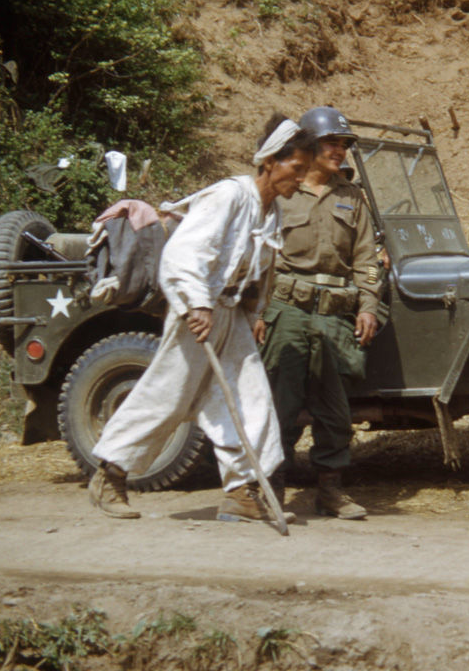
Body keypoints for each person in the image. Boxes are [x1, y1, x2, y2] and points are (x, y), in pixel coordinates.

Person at [88, 113, 314, 524]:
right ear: (270, 162)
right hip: (201, 309)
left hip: (231, 315)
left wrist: (255, 311)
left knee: (252, 400)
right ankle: (110, 475)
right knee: (168, 397)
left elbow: (260, 270)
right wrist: (196, 304)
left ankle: (243, 493)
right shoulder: (230, 196)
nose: (300, 179)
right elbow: (184, 253)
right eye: (296, 169)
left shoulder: (271, 212)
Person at [255, 106, 382, 520]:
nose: (340, 151)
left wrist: (367, 306)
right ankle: (270, 491)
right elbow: (260, 257)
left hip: (334, 315)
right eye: (332, 143)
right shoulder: (281, 191)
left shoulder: (351, 197)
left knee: (334, 410)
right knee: (280, 404)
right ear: (307, 146)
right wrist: (258, 311)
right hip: (287, 310)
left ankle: (330, 492)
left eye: (344, 145)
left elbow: (365, 259)